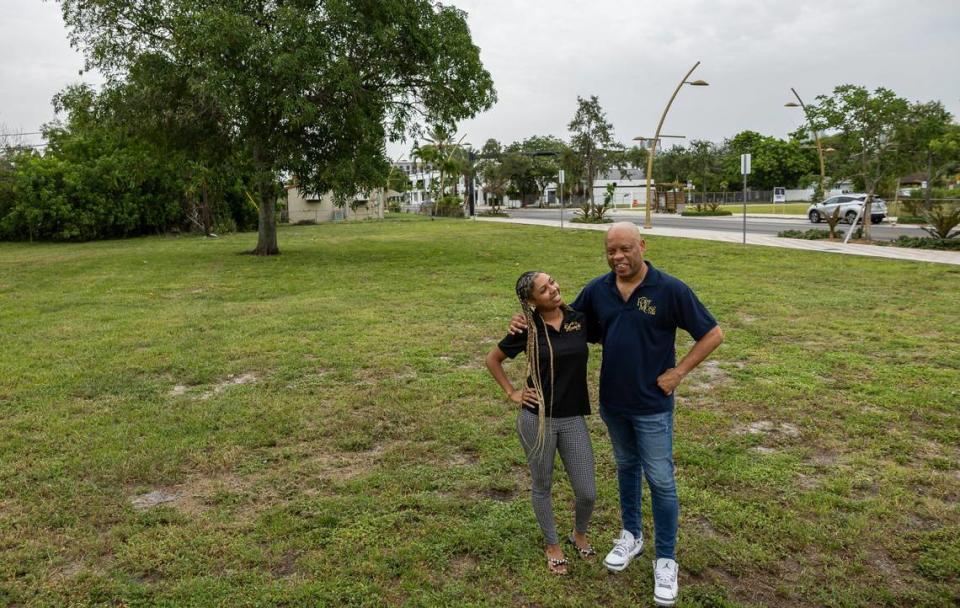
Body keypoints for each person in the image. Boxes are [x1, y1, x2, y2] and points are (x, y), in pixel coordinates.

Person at [509, 223, 723, 606]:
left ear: (642, 245)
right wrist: (524, 321)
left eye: (625, 249)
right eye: (611, 251)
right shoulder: (598, 290)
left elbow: (713, 334)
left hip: (653, 405)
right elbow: (563, 318)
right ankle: (631, 535)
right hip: (613, 404)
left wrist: (678, 372)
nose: (618, 257)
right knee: (625, 469)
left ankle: (667, 559)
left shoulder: (670, 289)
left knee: (660, 479)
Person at [485, 270, 598, 575]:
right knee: (542, 484)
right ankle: (552, 544)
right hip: (538, 420)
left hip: (572, 417)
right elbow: (492, 359)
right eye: (543, 289)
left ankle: (579, 534)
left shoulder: (578, 319)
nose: (553, 289)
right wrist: (513, 392)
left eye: (552, 283)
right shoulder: (526, 328)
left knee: (587, 491)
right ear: (530, 300)